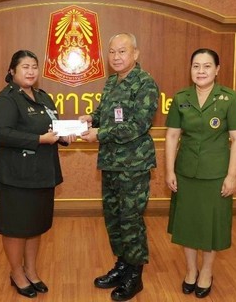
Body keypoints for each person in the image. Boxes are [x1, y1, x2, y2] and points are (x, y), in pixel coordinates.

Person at [0, 50, 76, 299]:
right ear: (12, 71)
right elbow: (1, 134)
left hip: (41, 174)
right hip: (15, 177)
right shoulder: (6, 99)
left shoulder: (43, 97)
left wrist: (64, 136)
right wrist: (38, 139)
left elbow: (53, 128)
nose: (30, 71)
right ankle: (17, 273)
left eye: (34, 67)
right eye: (25, 67)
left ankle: (31, 271)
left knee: (35, 225)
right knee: (16, 227)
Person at [79, 33, 159, 302]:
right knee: (113, 218)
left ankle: (135, 275)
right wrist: (91, 118)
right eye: (112, 52)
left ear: (135, 54)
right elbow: (106, 114)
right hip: (111, 164)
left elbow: (138, 125)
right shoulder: (112, 82)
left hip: (133, 166)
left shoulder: (145, 83)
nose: (116, 57)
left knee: (131, 220)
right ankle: (122, 265)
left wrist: (99, 134)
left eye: (122, 51)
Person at [165, 48, 236, 299]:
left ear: (217, 70)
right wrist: (169, 170)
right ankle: (191, 270)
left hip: (216, 174)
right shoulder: (181, 98)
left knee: (212, 227)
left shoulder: (230, 98)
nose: (201, 71)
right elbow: (172, 136)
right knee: (187, 225)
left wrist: (232, 176)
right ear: (190, 69)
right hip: (186, 172)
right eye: (196, 66)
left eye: (207, 66)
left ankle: (207, 272)